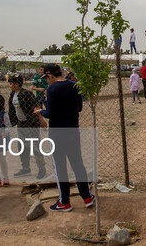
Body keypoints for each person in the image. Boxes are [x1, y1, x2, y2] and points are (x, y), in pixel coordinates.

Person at [34, 64, 95, 211]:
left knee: (60, 167)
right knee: (77, 164)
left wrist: (41, 111)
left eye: (47, 78)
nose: (47, 81)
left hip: (57, 134)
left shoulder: (52, 89)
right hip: (73, 131)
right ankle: (87, 196)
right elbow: (79, 108)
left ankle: (64, 202)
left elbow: (51, 113)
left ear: (50, 76)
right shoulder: (74, 85)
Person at [7, 75, 46, 179]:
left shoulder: (26, 94)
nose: (9, 85)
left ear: (16, 84)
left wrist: (40, 120)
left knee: (35, 147)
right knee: (22, 147)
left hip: (31, 124)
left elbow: (36, 106)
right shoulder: (13, 94)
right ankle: (25, 168)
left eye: (11, 83)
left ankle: (41, 168)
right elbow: (11, 111)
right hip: (21, 124)